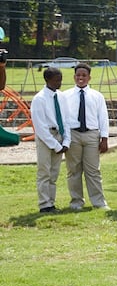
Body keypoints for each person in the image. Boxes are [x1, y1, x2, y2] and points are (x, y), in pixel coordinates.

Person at [62, 63, 111, 210]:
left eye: (84, 75)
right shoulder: (65, 95)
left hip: (91, 134)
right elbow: (63, 117)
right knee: (74, 170)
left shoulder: (97, 96)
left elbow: (103, 117)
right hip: (73, 134)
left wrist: (104, 138)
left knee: (93, 170)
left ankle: (99, 202)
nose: (81, 78)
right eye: (78, 75)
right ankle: (76, 202)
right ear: (74, 77)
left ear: (89, 77)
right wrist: (65, 138)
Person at [30, 67, 71, 213]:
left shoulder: (61, 96)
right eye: (56, 80)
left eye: (60, 79)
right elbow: (40, 127)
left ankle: (51, 202)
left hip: (59, 134)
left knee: (54, 172)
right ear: (48, 80)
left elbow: (66, 119)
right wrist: (55, 145)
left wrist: (66, 141)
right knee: (44, 171)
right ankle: (44, 204)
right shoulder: (39, 99)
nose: (59, 82)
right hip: (46, 137)